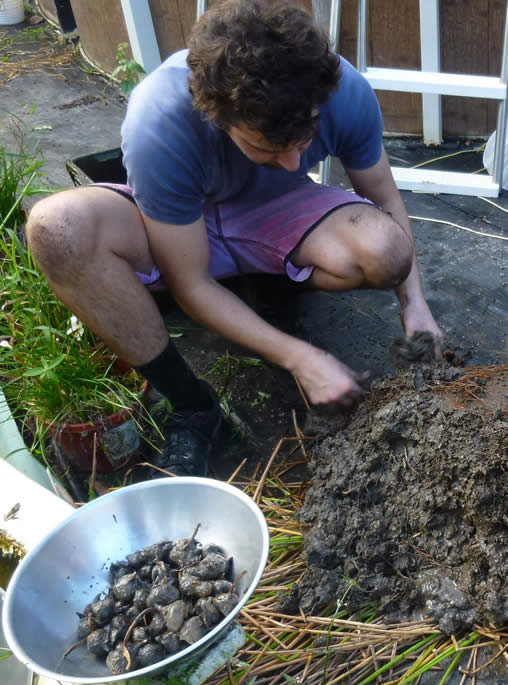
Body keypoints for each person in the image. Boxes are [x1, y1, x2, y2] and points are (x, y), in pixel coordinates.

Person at [26, 0, 443, 478]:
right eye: (265, 147)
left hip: (273, 208)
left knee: (387, 251)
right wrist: (299, 356)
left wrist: (415, 303)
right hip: (180, 225)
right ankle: (193, 407)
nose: (293, 163)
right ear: (216, 115)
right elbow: (193, 283)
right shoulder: (160, 120)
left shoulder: (342, 91)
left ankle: (269, 281)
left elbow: (384, 196)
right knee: (56, 228)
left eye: (302, 144)